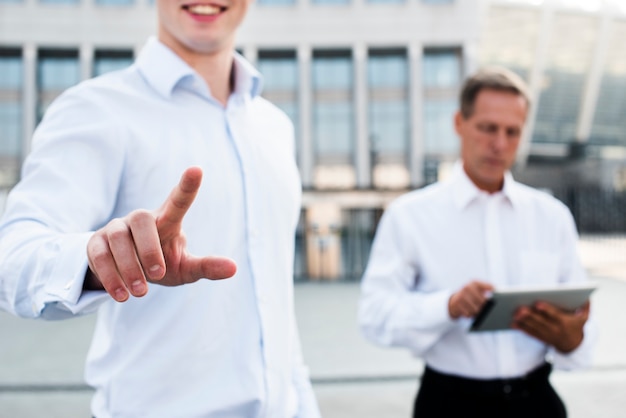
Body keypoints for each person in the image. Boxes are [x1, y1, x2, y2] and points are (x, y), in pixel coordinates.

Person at [0, 1, 321, 417]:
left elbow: (277, 306)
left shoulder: (274, 126)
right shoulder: (97, 108)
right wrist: (98, 262)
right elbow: (13, 256)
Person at [358, 66, 596, 418]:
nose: (499, 144)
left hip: (536, 402)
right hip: (450, 403)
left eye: (512, 132)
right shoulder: (409, 215)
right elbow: (374, 317)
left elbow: (581, 332)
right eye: (488, 128)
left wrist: (571, 338)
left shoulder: (552, 216)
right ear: (459, 123)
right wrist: (448, 306)